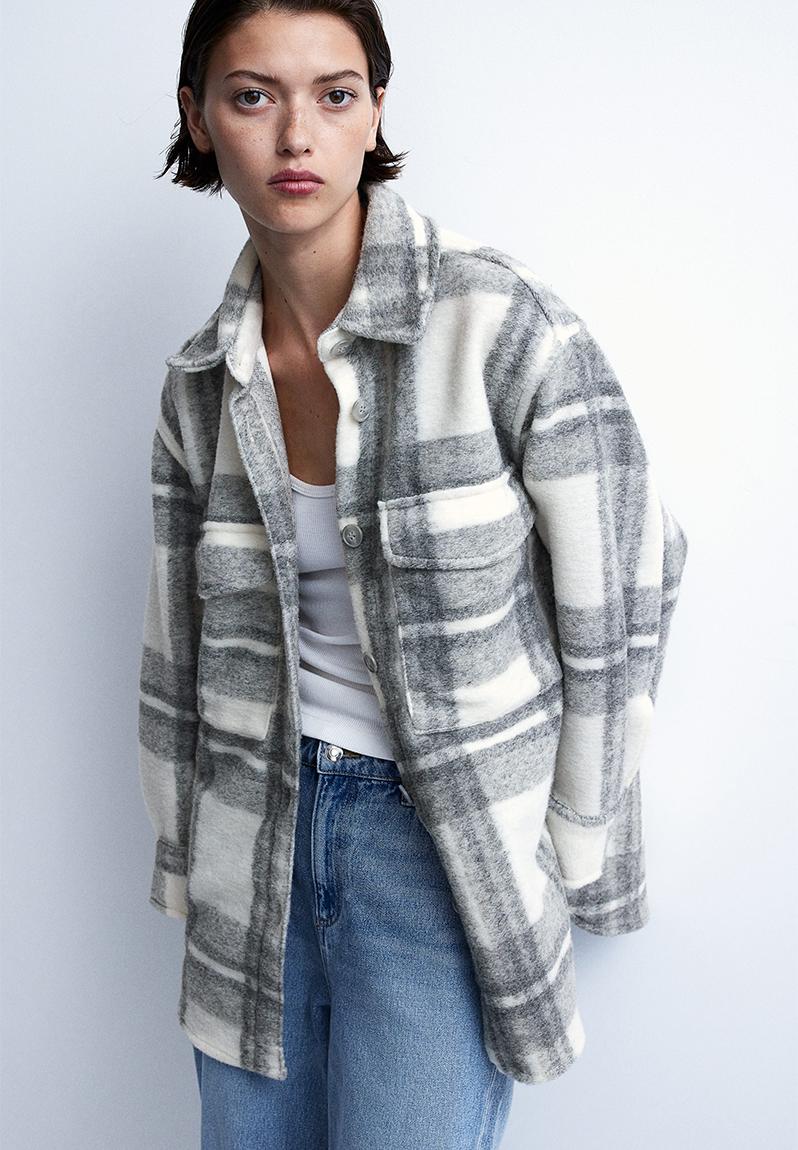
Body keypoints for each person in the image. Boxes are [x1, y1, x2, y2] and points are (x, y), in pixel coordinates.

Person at [138, 1, 688, 1147]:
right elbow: (174, 645)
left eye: (335, 95)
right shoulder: (202, 380)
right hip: (254, 832)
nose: (297, 135)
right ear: (197, 117)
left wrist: (567, 840)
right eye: (253, 96)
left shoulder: (494, 321)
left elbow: (631, 581)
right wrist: (186, 851)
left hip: (433, 846)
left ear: (376, 110)